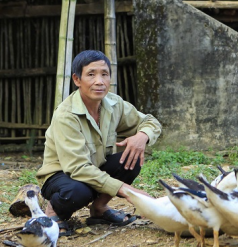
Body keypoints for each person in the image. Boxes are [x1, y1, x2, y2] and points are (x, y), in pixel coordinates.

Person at [36, 50, 162, 236]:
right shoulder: (66, 115)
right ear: (77, 80)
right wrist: (125, 190)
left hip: (94, 168)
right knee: (79, 190)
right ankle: (53, 212)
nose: (99, 81)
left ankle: (100, 208)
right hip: (62, 175)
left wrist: (142, 136)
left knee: (130, 160)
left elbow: (151, 122)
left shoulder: (113, 103)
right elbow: (77, 168)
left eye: (104, 74)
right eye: (91, 74)